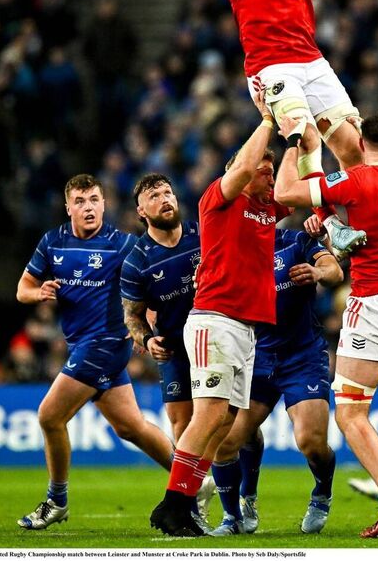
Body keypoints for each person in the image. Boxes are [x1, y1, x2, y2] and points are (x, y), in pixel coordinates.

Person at [274, 111, 378, 538]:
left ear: (360, 143)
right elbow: (365, 218)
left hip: (375, 299)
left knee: (350, 413)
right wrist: (331, 219)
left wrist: (297, 145)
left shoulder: (356, 181)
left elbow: (285, 193)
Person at [217, 0, 365, 259]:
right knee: (305, 134)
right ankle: (329, 223)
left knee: (354, 146)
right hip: (270, 67)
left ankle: (364, 217)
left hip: (312, 61)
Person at [149, 98, 283, 537]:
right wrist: (268, 120)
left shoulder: (266, 209)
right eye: (264, 167)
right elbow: (242, 167)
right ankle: (174, 506)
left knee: (224, 423)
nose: (270, 173)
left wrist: (304, 136)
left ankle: (183, 501)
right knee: (206, 417)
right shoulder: (218, 199)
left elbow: (296, 186)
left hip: (245, 328)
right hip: (215, 319)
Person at [16, 174, 177, 530]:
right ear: (68, 207)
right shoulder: (53, 242)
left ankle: (56, 501)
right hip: (82, 344)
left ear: (104, 204)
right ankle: (196, 481)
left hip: (106, 342)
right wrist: (38, 292)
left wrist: (146, 327)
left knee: (49, 417)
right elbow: (22, 288)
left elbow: (150, 286)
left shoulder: (123, 244)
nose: (88, 208)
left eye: (93, 200)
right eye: (80, 201)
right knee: (131, 427)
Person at [206, 218, 343, 535]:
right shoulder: (228, 252)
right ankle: (237, 512)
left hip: (303, 356)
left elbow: (335, 271)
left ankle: (322, 492)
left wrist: (318, 273)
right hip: (256, 356)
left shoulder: (296, 241)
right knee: (226, 442)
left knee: (310, 442)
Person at [119, 173, 216, 521]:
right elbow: (132, 315)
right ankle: (194, 496)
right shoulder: (137, 261)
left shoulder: (203, 233)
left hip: (216, 339)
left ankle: (234, 497)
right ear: (141, 211)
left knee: (223, 422)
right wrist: (148, 339)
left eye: (168, 192)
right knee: (181, 421)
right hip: (175, 348)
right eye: (154, 196)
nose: (165, 199)